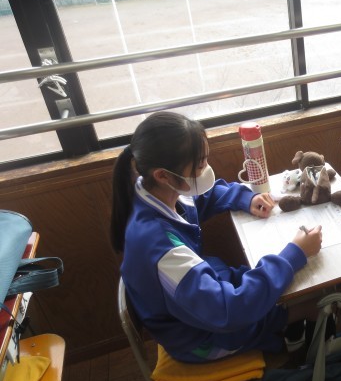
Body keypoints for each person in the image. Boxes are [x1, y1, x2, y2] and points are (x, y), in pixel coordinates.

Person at [111, 111, 322, 362]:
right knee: (310, 302)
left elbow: (202, 198)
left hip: (198, 302)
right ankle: (299, 350)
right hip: (199, 339)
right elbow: (228, 312)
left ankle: (290, 325)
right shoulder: (160, 249)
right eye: (200, 164)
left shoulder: (156, 191)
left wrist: (247, 198)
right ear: (163, 175)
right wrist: (295, 254)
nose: (206, 170)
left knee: (270, 283)